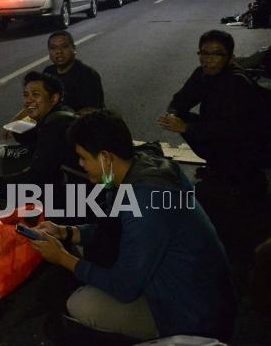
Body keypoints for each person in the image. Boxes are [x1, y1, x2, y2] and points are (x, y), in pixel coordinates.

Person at [29, 110, 236, 342]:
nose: (80, 164)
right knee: (90, 256)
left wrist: (63, 259)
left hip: (192, 314)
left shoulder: (145, 203)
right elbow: (112, 228)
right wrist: (66, 232)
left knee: (81, 303)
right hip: (200, 290)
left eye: (83, 157)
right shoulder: (146, 168)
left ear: (106, 158)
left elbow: (123, 287)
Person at [158, 30, 267, 202]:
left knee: (193, 126)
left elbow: (236, 129)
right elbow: (180, 100)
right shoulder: (202, 73)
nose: (208, 59)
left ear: (230, 58)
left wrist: (187, 127)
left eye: (216, 54)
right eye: (204, 53)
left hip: (253, 144)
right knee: (182, 118)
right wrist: (172, 114)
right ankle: (219, 165)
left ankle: (242, 176)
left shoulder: (237, 82)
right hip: (223, 131)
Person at [0, 31, 104, 161]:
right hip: (51, 122)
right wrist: (14, 122)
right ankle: (35, 150)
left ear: (73, 49)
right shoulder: (49, 72)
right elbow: (36, 102)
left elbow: (92, 111)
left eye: (64, 47)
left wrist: (64, 120)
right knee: (21, 130)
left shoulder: (88, 75)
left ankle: (30, 152)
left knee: (54, 136)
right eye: (53, 48)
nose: (58, 52)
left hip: (77, 125)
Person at [0, 71, 78, 189]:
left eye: (35, 94)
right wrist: (19, 119)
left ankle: (27, 152)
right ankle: (28, 151)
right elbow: (20, 125)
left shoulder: (55, 127)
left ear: (54, 98)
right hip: (77, 178)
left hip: (84, 191)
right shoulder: (62, 112)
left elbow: (35, 179)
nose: (28, 100)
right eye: (26, 95)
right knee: (22, 131)